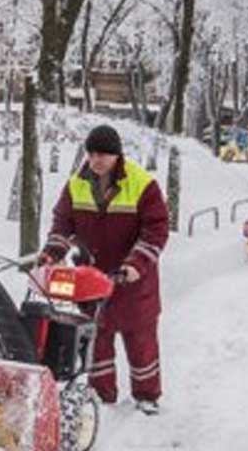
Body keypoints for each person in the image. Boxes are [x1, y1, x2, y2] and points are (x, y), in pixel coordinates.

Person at [43, 124, 169, 415]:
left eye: (103, 154)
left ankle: (146, 396)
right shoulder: (76, 184)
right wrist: (52, 253)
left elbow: (156, 230)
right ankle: (103, 395)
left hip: (133, 283)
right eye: (92, 154)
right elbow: (63, 223)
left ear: (116, 156)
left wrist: (135, 265)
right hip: (91, 280)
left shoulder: (142, 184)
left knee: (141, 343)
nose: (96, 160)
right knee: (96, 341)